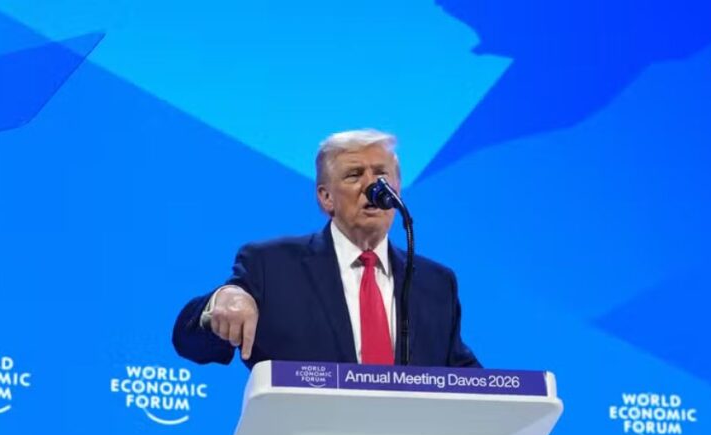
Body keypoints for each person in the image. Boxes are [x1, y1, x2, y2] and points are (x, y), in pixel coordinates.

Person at [172, 129, 480, 368]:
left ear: (397, 189)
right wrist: (223, 300)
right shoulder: (271, 265)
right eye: (354, 175)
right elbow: (190, 343)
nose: (373, 187)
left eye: (381, 174)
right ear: (326, 198)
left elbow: (464, 378)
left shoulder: (435, 283)